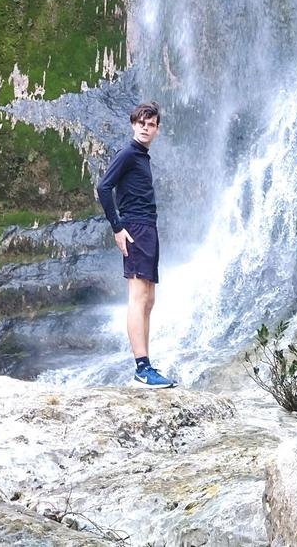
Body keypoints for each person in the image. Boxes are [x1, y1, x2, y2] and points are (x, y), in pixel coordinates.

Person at [96, 102, 174, 387]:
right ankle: (142, 367)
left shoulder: (141, 156)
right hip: (136, 227)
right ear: (133, 125)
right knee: (138, 297)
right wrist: (118, 227)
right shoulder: (128, 153)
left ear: (157, 129)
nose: (145, 127)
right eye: (141, 122)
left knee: (148, 300)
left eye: (150, 123)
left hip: (147, 228)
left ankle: (146, 363)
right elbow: (103, 187)